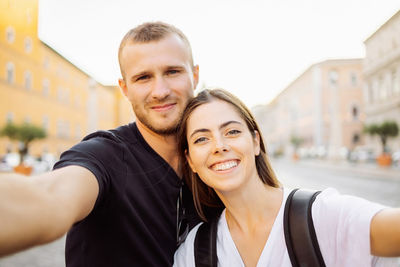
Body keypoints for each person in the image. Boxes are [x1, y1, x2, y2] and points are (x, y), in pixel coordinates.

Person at [0, 22, 201, 266]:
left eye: (172, 72)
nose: (159, 91)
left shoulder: (210, 163)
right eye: (143, 77)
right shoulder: (104, 156)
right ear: (125, 89)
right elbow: (50, 197)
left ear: (195, 76)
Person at [174, 88, 400, 267]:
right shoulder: (193, 252)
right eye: (201, 139)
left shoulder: (320, 215)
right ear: (190, 160)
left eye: (232, 131)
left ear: (255, 142)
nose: (219, 146)